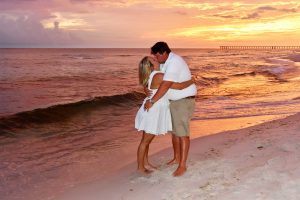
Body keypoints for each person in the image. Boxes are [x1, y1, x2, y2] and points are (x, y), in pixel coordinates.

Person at [144, 42, 197, 176]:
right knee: (175, 133)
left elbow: (166, 84)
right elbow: (157, 82)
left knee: (182, 134)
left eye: (156, 55)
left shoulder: (174, 62)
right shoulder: (165, 62)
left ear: (163, 53)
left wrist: (152, 100)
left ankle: (182, 165)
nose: (155, 58)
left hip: (183, 101)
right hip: (174, 101)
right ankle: (177, 158)